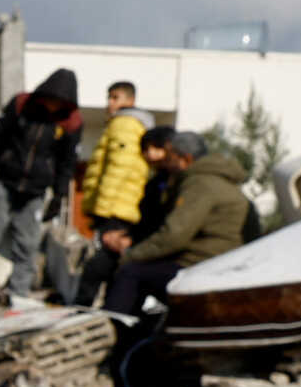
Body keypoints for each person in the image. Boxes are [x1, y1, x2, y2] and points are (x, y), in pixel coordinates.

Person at [103, 130, 250, 367]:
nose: (166, 161)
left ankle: (109, 337)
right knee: (148, 291)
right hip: (219, 261)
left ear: (185, 159)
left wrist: (130, 255)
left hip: (198, 263)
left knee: (131, 273)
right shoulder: (222, 181)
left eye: (170, 156)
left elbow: (174, 235)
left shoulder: (199, 183)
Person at [0, 69, 81, 302]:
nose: (52, 105)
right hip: (6, 183)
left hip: (35, 192)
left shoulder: (71, 122)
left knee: (27, 245)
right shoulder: (22, 105)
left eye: (58, 102)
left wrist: (59, 195)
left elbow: (67, 162)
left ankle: (18, 295)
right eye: (50, 99)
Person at [72, 83, 155, 305]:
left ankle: (84, 306)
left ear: (130, 100)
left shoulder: (125, 123)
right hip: (117, 205)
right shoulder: (121, 124)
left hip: (116, 207)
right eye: (109, 97)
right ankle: (107, 306)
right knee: (109, 262)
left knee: (102, 260)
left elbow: (120, 167)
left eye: (115, 97)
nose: (110, 103)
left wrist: (104, 207)